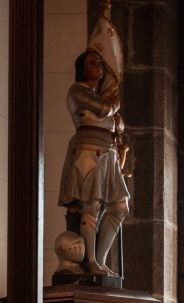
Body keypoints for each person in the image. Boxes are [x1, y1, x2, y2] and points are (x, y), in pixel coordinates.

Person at [59, 49, 130, 276]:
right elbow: (102, 109)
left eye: (100, 62)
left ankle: (99, 260)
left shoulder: (98, 94)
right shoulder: (77, 91)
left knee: (120, 206)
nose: (99, 66)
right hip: (88, 150)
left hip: (107, 152)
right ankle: (89, 261)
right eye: (93, 63)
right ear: (82, 68)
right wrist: (114, 102)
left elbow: (114, 123)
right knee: (91, 204)